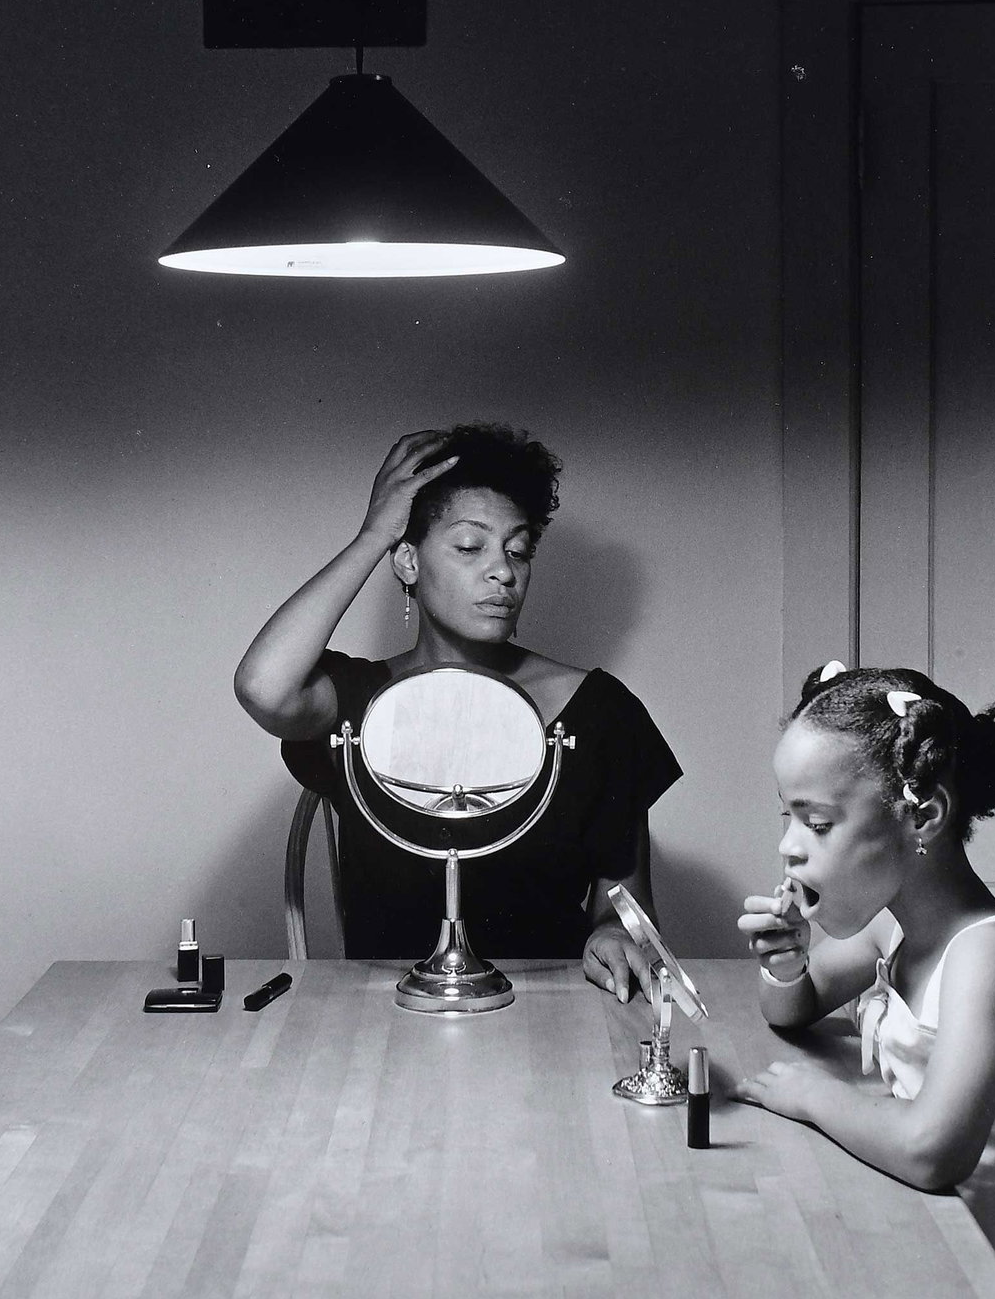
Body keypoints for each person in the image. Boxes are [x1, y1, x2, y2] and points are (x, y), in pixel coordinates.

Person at [732, 661, 995, 1299]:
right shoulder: (894, 926)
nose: (787, 845)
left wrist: (811, 1095)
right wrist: (785, 963)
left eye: (817, 822)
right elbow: (794, 1008)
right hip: (942, 1240)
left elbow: (931, 1149)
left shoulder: (992, 955)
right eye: (787, 816)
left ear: (923, 816)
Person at [234, 424, 681, 1001]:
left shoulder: (597, 710)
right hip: (385, 1018)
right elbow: (263, 688)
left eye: (519, 550)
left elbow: (626, 908)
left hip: (546, 1013)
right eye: (470, 547)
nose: (503, 572)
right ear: (408, 563)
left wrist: (614, 937)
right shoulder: (361, 702)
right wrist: (373, 535)